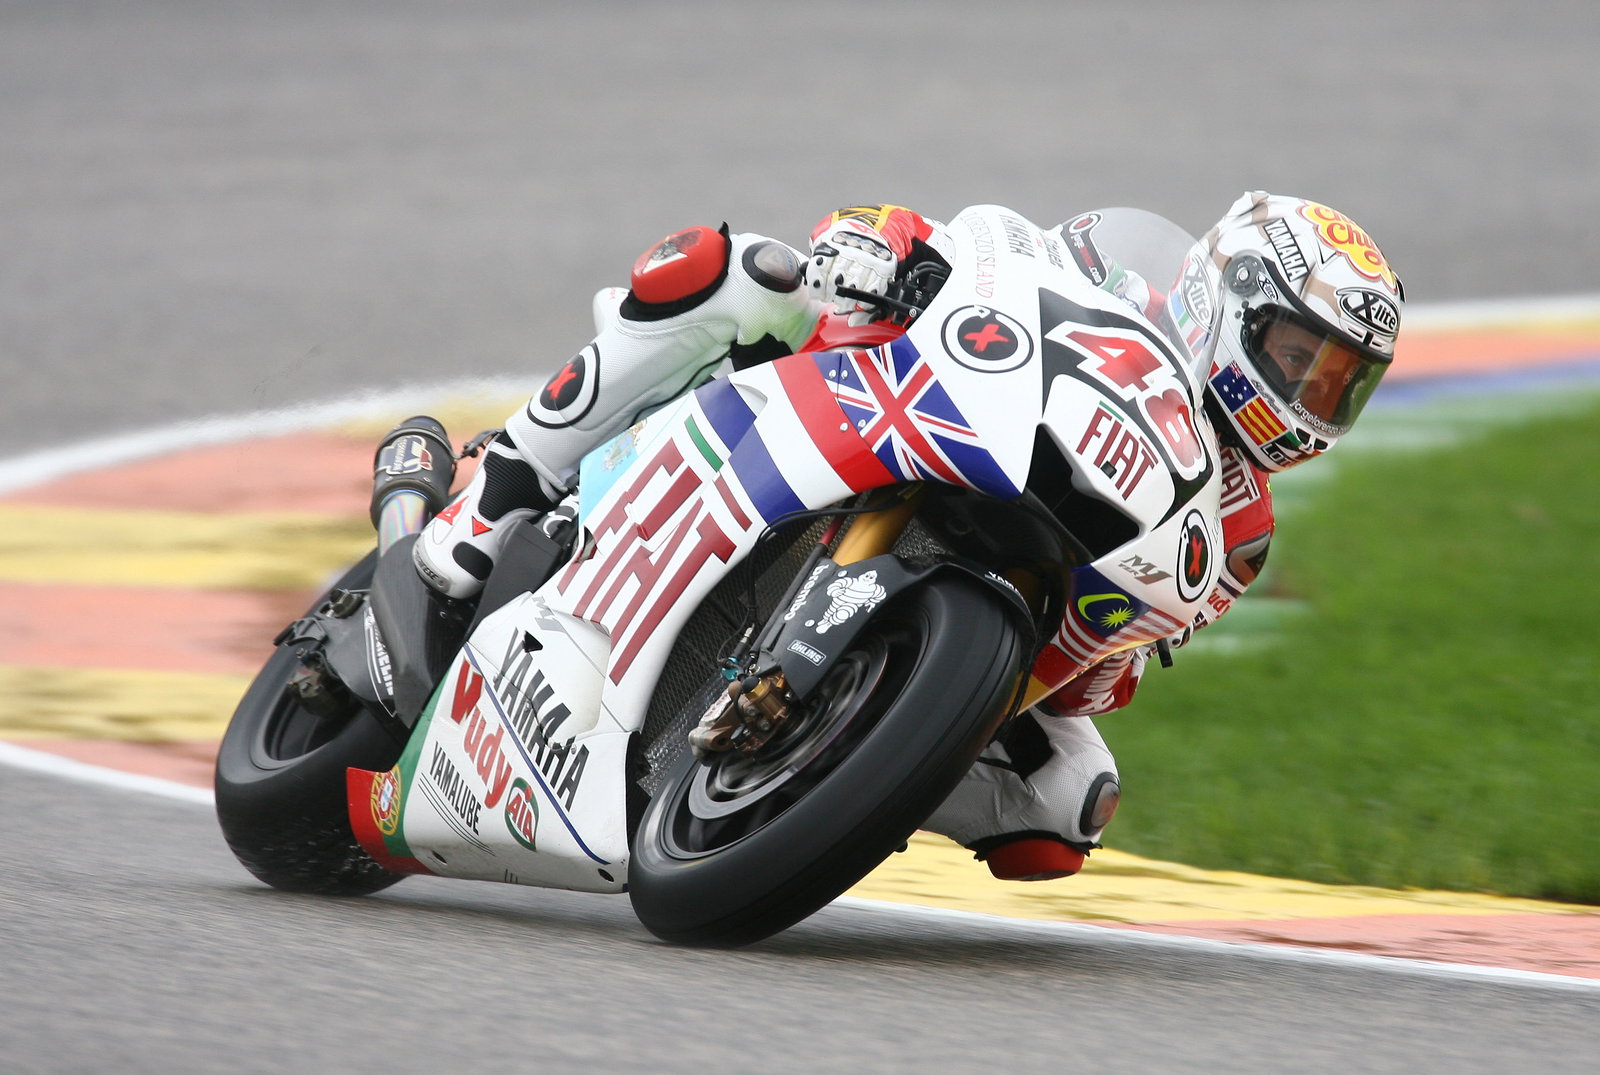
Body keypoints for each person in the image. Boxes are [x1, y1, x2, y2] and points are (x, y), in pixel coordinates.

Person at [409, 193, 1404, 882]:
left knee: (1069, 804)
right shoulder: (1106, 275)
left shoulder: (1236, 533)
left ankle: (834, 772)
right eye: (1297, 356)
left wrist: (1089, 660)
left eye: (1335, 383)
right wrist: (883, 250)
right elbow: (961, 246)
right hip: (884, 409)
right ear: (1224, 296)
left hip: (1016, 582)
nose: (1307, 396)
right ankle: (502, 487)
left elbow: (1104, 662)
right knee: (739, 273)